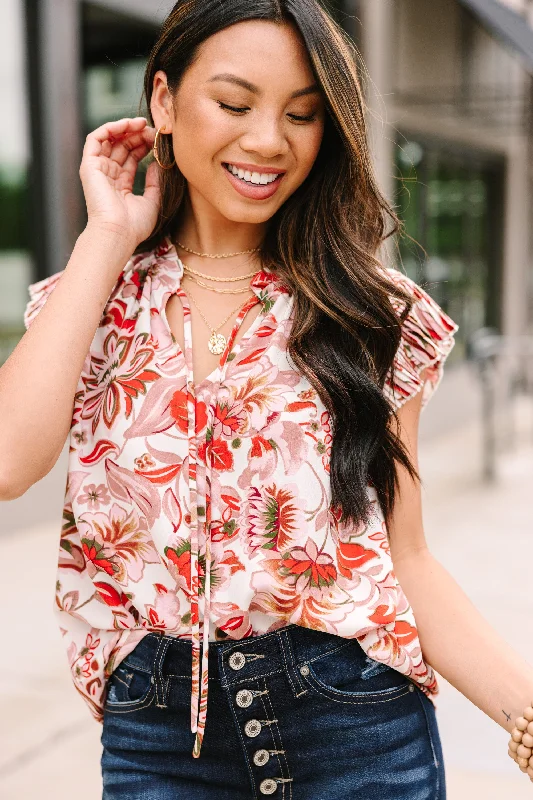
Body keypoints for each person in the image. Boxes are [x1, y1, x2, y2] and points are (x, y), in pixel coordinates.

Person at [2, 0, 533, 797]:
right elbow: (11, 463)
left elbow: (404, 558)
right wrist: (106, 234)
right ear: (162, 102)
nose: (266, 141)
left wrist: (522, 714)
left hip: (356, 730)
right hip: (156, 740)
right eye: (234, 102)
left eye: (301, 114)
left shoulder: (369, 313)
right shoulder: (92, 301)